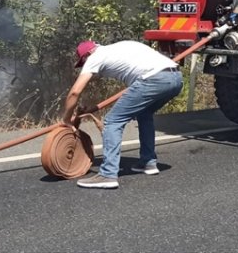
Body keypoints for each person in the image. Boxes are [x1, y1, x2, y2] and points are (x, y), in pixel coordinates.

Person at [62, 40, 183, 189]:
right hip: (176, 78)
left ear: (87, 55)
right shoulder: (120, 47)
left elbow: (75, 92)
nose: (84, 65)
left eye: (83, 62)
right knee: (144, 114)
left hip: (153, 79)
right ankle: (148, 162)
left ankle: (108, 174)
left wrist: (66, 120)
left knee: (112, 121)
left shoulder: (94, 57)